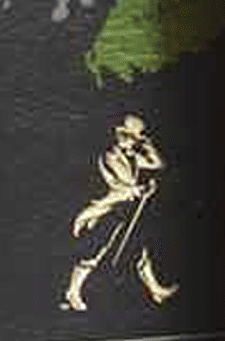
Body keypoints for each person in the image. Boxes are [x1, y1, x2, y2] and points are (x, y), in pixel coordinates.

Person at [61, 115, 179, 311]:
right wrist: (139, 190)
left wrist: (148, 145)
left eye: (132, 138)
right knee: (96, 251)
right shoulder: (109, 155)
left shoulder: (133, 156)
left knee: (140, 251)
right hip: (106, 210)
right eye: (125, 135)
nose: (127, 140)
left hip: (125, 211)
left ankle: (155, 290)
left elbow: (158, 164)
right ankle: (73, 291)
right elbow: (119, 186)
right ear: (118, 135)